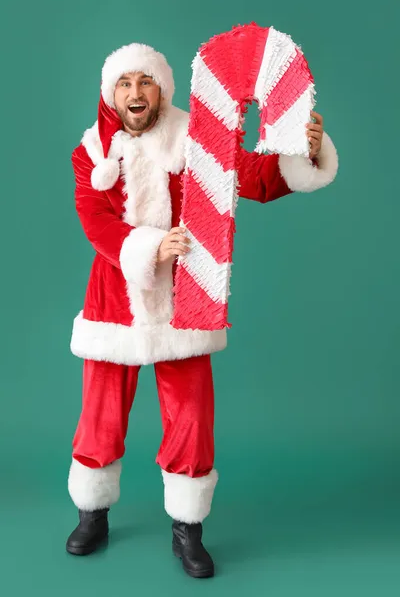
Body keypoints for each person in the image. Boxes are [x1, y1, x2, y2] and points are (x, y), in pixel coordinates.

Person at [66, 42, 338, 578]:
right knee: (100, 412)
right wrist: (149, 246)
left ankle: (188, 528)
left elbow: (255, 178)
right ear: (111, 94)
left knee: (191, 414)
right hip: (114, 297)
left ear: (162, 89)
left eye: (146, 82)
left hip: (186, 294)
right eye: (125, 83)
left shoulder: (195, 137)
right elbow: (94, 220)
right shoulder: (90, 151)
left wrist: (305, 151)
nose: (136, 92)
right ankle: (91, 511)